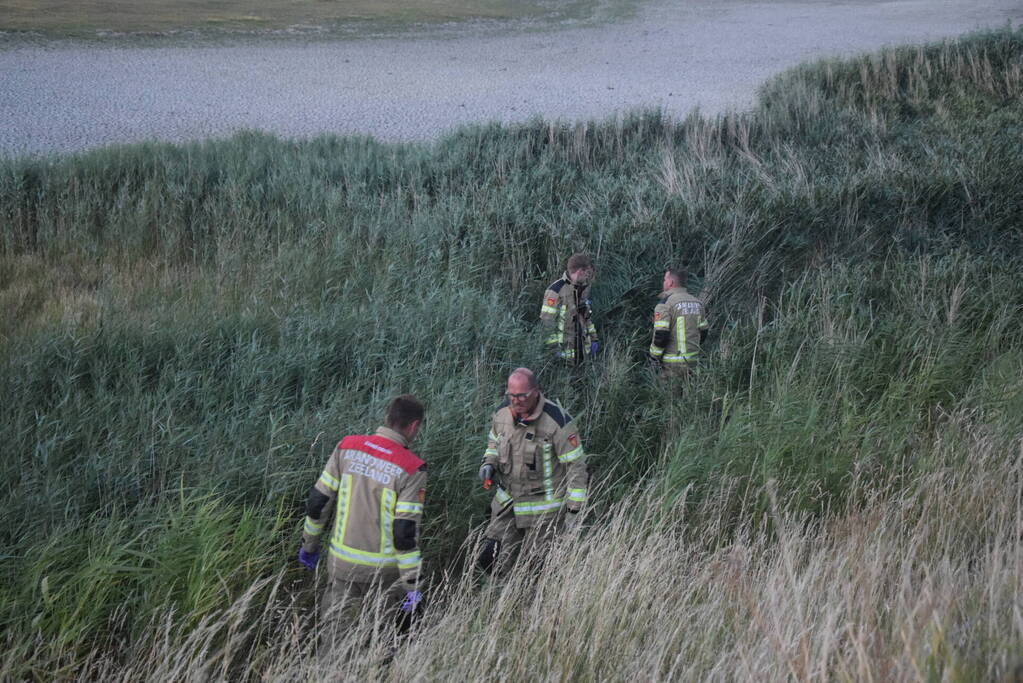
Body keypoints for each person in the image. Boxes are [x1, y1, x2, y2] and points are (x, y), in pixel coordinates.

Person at [297, 395, 428, 631]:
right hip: (383, 575)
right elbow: (404, 533)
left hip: (341, 566)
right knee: (378, 641)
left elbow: (318, 502)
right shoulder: (411, 468)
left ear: (387, 417)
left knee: (335, 639)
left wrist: (309, 545)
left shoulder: (346, 447)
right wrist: (413, 585)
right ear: (414, 426)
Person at [477, 368, 589, 575]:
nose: (516, 401)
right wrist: (488, 463)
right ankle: (502, 593)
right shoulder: (501, 414)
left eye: (522, 396)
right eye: (511, 395)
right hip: (507, 506)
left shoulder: (557, 421)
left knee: (536, 572)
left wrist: (574, 512)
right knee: (491, 561)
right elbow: (493, 443)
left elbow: (576, 467)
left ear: (535, 391)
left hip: (544, 513)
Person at [648, 267, 709, 376]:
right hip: (693, 362)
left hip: (672, 364)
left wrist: (654, 357)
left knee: (667, 387)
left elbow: (661, 335)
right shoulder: (697, 303)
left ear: (670, 282)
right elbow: (704, 332)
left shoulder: (665, 304)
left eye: (665, 279)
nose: (663, 282)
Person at [540, 253, 599, 364]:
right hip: (563, 358)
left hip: (583, 355)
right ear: (580, 271)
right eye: (587, 273)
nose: (588, 277)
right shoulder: (556, 290)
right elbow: (547, 322)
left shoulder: (582, 289)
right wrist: (553, 350)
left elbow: (587, 317)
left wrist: (594, 338)